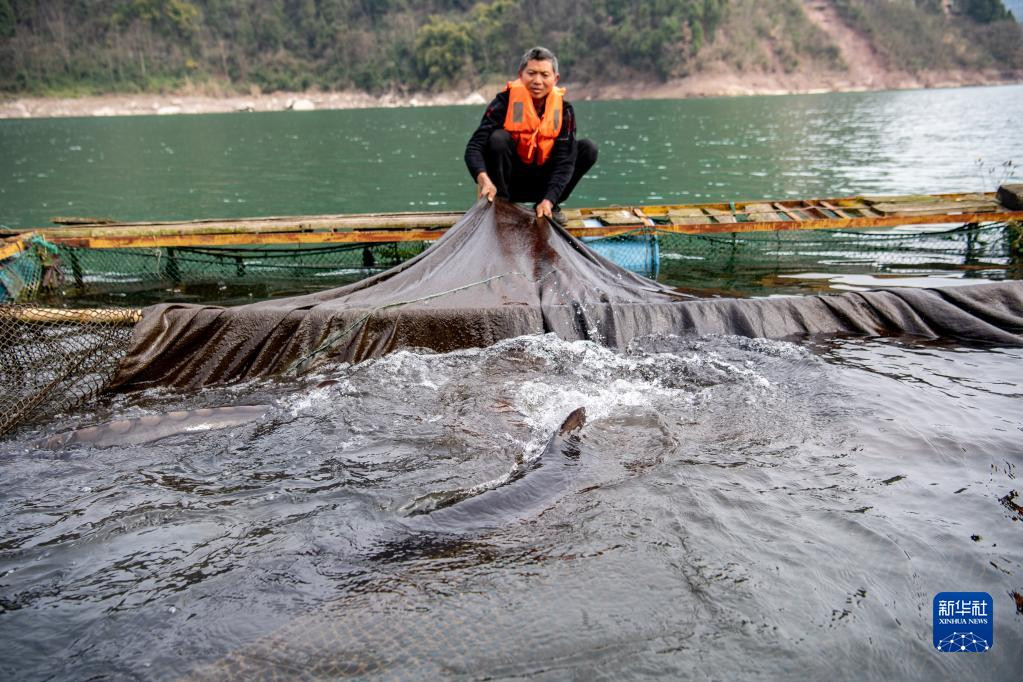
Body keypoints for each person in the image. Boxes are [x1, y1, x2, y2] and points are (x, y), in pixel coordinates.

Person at [465, 46, 597, 223]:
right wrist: (484, 180)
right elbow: (474, 147)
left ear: (555, 79)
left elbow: (565, 162)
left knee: (588, 149)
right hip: (507, 184)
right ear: (521, 75)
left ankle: (549, 205)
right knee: (498, 138)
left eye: (544, 75)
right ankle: (501, 206)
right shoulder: (504, 102)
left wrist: (549, 199)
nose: (537, 81)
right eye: (532, 73)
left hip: (545, 186)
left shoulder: (564, 111)